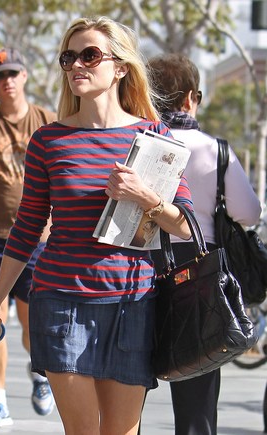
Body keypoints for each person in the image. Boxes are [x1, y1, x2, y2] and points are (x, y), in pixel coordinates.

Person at [0, 16, 194, 435]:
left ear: (121, 67)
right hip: (60, 300)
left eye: (90, 55)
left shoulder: (154, 135)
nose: (77, 65)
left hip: (133, 301)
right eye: (68, 57)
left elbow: (184, 224)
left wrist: (144, 196)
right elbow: (27, 227)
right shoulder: (50, 141)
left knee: (121, 432)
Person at [146, 53, 261, 435]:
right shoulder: (215, 150)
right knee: (197, 395)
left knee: (126, 391)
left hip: (140, 269)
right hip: (199, 273)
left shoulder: (139, 142)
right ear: (192, 98)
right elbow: (249, 214)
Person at [0, 46, 57, 427]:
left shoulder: (46, 120)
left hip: (36, 236)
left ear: (25, 77)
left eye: (13, 74)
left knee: (32, 322)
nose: (7, 83)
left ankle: (38, 373)